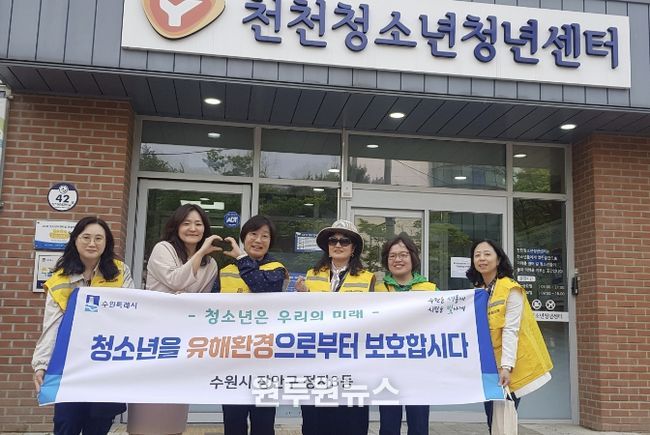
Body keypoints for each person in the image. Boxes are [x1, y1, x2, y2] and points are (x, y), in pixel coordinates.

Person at [32, 216, 134, 435]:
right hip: (71, 364)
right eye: (86, 237)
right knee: (66, 423)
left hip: (105, 362)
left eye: (99, 238)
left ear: (106, 243)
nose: (92, 243)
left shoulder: (120, 272)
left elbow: (130, 315)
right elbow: (51, 326)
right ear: (75, 240)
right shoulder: (60, 279)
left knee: (99, 425)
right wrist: (41, 364)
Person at [128, 204, 221, 435]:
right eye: (186, 223)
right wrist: (201, 252)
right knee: (148, 406)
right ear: (176, 226)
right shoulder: (164, 249)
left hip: (183, 339)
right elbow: (176, 280)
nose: (193, 228)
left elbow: (200, 302)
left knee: (175, 404)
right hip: (154, 336)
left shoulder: (211, 264)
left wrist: (182, 297)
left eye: (198, 224)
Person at [295, 219, 374, 435]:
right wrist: (301, 296)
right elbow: (302, 316)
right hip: (316, 361)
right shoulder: (311, 275)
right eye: (333, 240)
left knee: (351, 423)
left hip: (352, 363)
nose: (338, 245)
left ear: (353, 248)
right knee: (315, 422)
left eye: (344, 241)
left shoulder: (368, 278)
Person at [466, 239, 553, 433]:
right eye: (477, 255)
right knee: (492, 418)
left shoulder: (510, 289)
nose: (482, 258)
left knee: (502, 419)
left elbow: (510, 330)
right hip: (489, 364)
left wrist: (506, 367)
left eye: (487, 254)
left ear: (498, 259)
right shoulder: (480, 290)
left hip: (509, 364)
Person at [217, 215, 288, 435]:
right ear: (244, 237)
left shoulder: (277, 269)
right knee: (233, 421)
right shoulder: (225, 270)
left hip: (265, 358)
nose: (258, 240)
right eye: (253, 234)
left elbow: (260, 286)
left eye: (265, 236)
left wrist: (241, 258)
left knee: (263, 423)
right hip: (232, 357)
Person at [376, 234, 436, 435]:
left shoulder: (430, 290)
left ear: (413, 257)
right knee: (388, 424)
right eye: (392, 256)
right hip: (387, 367)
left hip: (419, 368)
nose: (398, 260)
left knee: (419, 424)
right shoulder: (376, 291)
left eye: (403, 255)